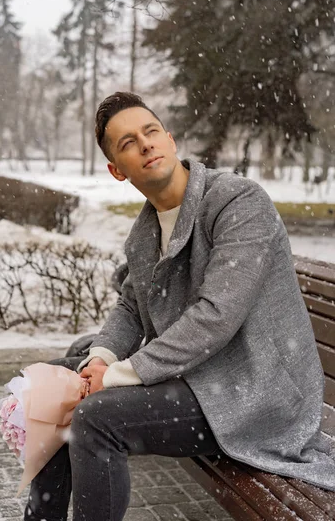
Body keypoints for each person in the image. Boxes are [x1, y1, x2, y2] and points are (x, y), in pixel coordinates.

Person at [24, 92, 335, 521]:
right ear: (117, 170)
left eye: (151, 132)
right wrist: (98, 361)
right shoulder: (145, 232)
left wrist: (114, 378)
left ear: (170, 139)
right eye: (129, 142)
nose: (146, 144)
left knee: (97, 419)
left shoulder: (237, 202)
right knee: (56, 383)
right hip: (200, 380)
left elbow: (216, 315)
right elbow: (131, 308)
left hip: (256, 394)